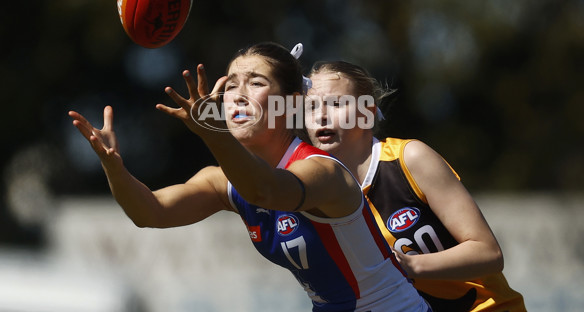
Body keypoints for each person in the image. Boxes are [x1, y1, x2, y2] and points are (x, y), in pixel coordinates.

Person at [68, 42, 432, 312]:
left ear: (290, 103)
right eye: (230, 86)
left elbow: (265, 190)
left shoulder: (324, 171)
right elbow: (150, 213)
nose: (237, 95)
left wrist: (214, 134)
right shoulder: (224, 179)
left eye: (254, 83)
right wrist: (114, 166)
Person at [304, 60, 526, 312]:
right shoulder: (319, 190)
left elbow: (489, 254)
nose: (321, 115)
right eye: (310, 107)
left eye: (335, 104)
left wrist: (408, 265)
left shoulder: (409, 159)